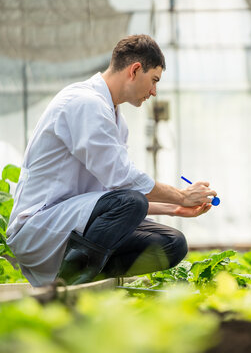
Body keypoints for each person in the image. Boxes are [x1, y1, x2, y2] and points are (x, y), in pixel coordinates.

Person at [7, 34, 217, 286]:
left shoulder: (115, 119)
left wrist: (174, 209)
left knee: (172, 244)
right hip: (40, 226)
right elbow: (123, 182)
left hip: (75, 224)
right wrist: (181, 196)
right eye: (154, 80)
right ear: (135, 70)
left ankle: (87, 277)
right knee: (131, 200)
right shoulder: (84, 103)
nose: (153, 91)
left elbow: (112, 196)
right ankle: (68, 289)